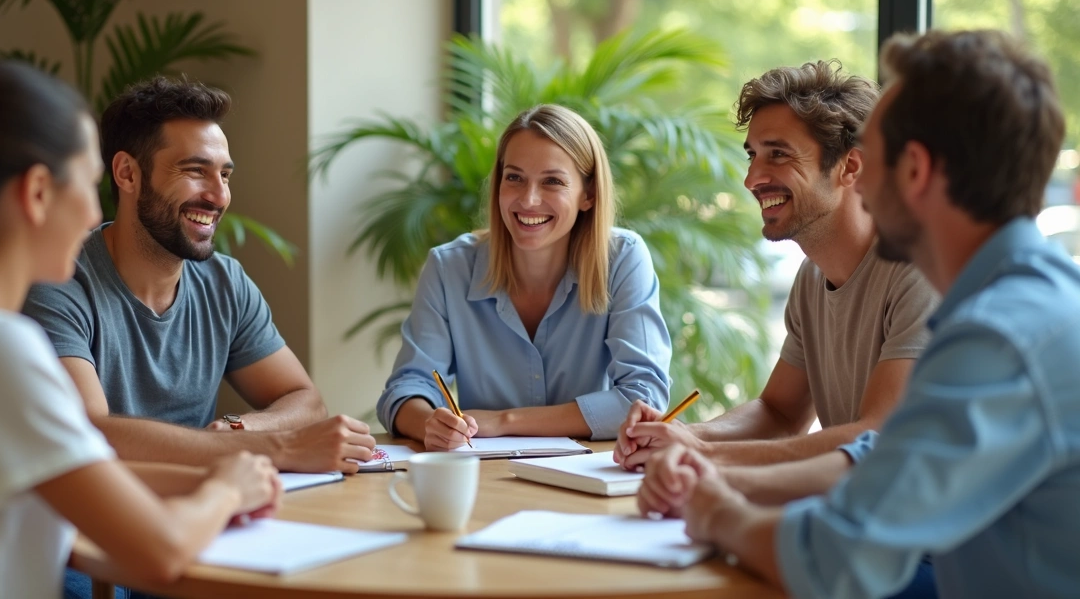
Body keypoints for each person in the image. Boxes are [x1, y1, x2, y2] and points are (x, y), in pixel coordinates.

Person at [640, 29, 1079, 598]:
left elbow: (839, 558)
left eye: (875, 154)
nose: (861, 177)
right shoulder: (1026, 298)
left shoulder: (998, 337)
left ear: (914, 170)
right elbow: (882, 454)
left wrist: (718, 511)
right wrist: (721, 472)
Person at [0, 61, 282, 598]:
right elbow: (162, 551)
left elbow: (81, 471)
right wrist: (224, 490)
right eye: (87, 185)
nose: (93, 215)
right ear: (38, 193)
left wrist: (223, 477)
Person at [22, 77, 375, 475]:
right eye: (195, 171)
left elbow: (304, 399)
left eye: (224, 175)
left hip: (216, 506)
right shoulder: (59, 282)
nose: (220, 196)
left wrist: (237, 430)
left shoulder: (225, 282)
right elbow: (91, 434)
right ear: (127, 174)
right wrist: (277, 447)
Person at [616, 61, 937, 468]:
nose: (752, 178)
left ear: (851, 166)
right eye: (753, 155)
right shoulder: (812, 276)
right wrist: (682, 434)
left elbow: (875, 436)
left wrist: (706, 453)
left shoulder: (918, 270)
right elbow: (780, 414)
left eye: (778, 154)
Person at [378, 104, 672, 451]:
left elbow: (644, 398)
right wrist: (430, 423)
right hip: (486, 479)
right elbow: (405, 389)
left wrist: (504, 421)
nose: (528, 200)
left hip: (589, 479)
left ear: (588, 195)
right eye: (514, 177)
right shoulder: (449, 267)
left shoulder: (622, 259)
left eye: (552, 181)